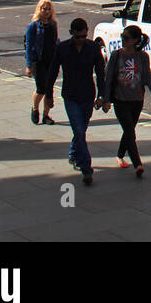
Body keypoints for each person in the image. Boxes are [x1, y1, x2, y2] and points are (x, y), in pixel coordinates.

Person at [45, 17, 107, 185]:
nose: (81, 40)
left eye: (84, 36)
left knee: (81, 129)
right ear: (72, 33)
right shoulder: (62, 48)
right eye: (78, 37)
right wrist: (48, 95)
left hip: (87, 95)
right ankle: (86, 168)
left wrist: (102, 96)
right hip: (70, 95)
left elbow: (101, 73)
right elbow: (52, 71)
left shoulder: (93, 47)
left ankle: (73, 153)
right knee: (79, 130)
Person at [100, 24, 151, 178]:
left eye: (126, 38)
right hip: (120, 100)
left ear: (135, 40)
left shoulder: (142, 57)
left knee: (129, 131)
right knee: (130, 132)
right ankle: (138, 164)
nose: (123, 40)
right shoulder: (116, 55)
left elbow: (148, 77)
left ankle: (120, 154)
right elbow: (108, 79)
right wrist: (106, 99)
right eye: (122, 37)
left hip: (137, 99)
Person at [24, 0, 59, 126]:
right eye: (44, 9)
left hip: (51, 61)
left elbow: (55, 42)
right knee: (41, 89)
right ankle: (34, 108)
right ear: (39, 10)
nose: (46, 12)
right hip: (38, 61)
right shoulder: (33, 26)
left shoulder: (53, 24)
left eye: (49, 9)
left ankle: (46, 115)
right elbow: (29, 46)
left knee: (49, 89)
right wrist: (28, 65)